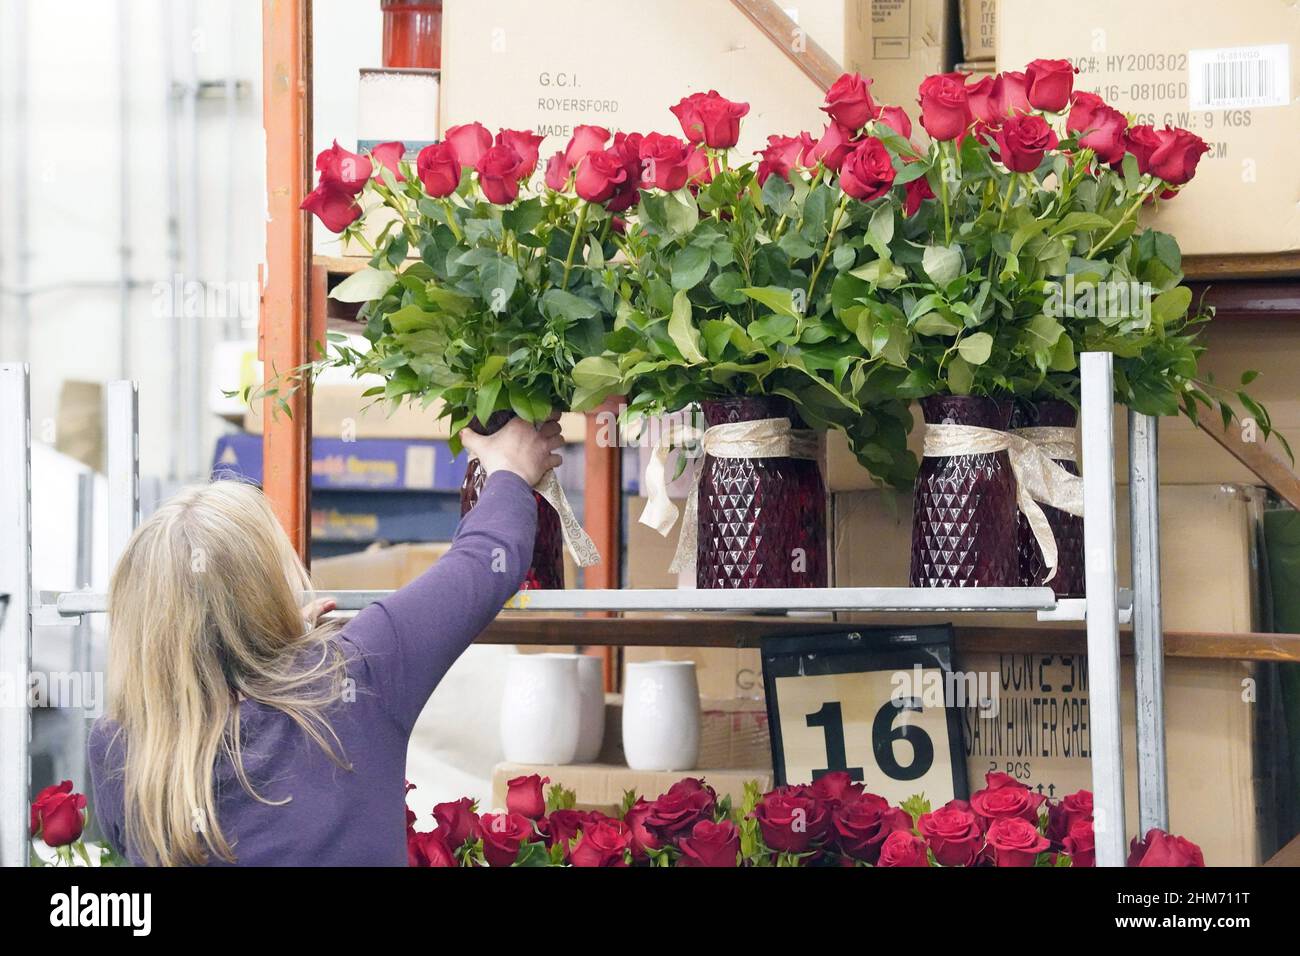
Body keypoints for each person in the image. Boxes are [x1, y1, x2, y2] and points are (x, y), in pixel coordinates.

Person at [88, 417, 562, 866]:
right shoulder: (357, 675)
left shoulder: (116, 746)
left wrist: (276, 651)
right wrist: (510, 469)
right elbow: (484, 561)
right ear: (270, 587)